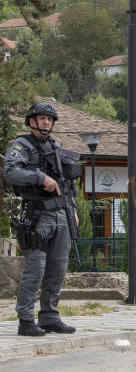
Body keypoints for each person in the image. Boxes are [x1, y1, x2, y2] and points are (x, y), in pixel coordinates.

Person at [3, 102, 78, 336]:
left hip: (60, 213)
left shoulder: (55, 146)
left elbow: (66, 183)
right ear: (32, 121)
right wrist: (40, 178)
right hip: (36, 214)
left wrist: (72, 208)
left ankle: (49, 316)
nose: (46, 122)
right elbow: (10, 172)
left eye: (49, 119)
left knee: (58, 268)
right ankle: (26, 319)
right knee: (35, 269)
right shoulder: (22, 145)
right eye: (41, 118)